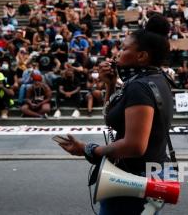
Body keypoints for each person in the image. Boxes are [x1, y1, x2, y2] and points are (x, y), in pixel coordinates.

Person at [58, 14, 176, 214]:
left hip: (134, 181)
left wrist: (89, 150)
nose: (117, 53)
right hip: (150, 174)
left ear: (141, 56)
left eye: (124, 48)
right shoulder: (156, 78)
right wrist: (110, 85)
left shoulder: (139, 87)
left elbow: (135, 146)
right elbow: (113, 121)